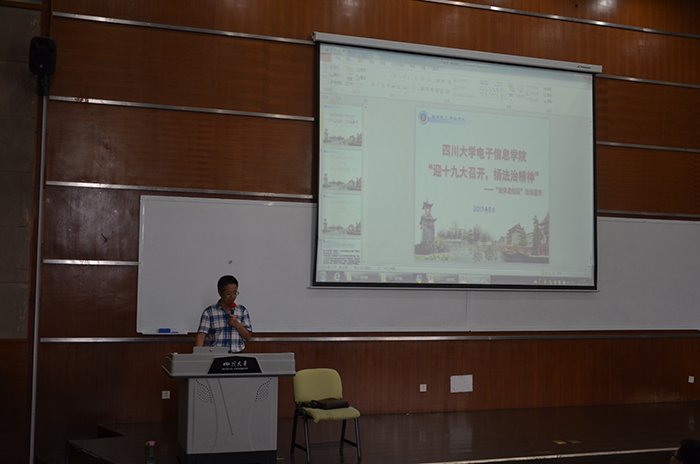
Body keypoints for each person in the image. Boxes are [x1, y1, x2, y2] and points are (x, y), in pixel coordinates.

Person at [195, 275, 253, 352]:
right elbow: (201, 336)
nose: (232, 296)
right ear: (220, 293)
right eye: (228, 294)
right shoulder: (209, 312)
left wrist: (237, 325)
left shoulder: (242, 310)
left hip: (236, 354)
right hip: (215, 354)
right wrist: (198, 355)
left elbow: (248, 336)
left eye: (235, 293)